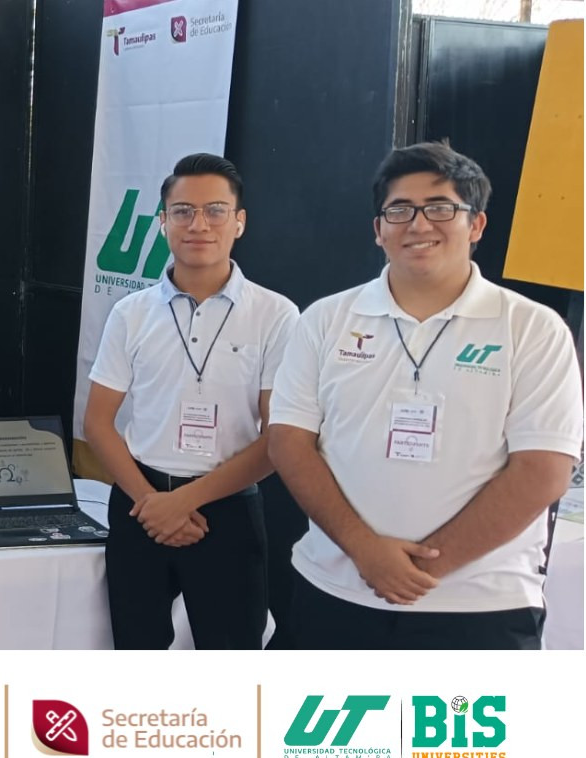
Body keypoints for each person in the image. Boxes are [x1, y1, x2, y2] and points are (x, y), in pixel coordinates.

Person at [267, 141, 582, 649]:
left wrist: (419, 570)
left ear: (476, 224)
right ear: (379, 229)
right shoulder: (325, 319)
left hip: (479, 605)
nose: (418, 224)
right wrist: (364, 551)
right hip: (335, 590)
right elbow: (288, 441)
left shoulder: (532, 328)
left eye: (440, 208)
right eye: (400, 210)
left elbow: (543, 470)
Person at [85, 153, 299, 649]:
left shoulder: (276, 315)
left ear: (239, 222)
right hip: (139, 505)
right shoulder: (131, 313)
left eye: (215, 211)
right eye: (182, 211)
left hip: (228, 510)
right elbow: (97, 422)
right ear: (163, 223)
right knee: (135, 654)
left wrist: (184, 502)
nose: (198, 224)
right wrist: (151, 503)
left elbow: (278, 437)